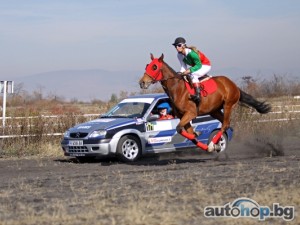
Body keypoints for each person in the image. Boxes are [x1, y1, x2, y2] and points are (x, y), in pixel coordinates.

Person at [172, 37, 211, 103]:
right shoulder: (179, 55)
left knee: (193, 75)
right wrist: (180, 74)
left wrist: (189, 71)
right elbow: (183, 66)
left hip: (205, 65)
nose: (177, 48)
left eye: (178, 45)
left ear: (184, 45)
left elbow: (199, 65)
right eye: (175, 46)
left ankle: (198, 95)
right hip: (197, 66)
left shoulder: (191, 54)